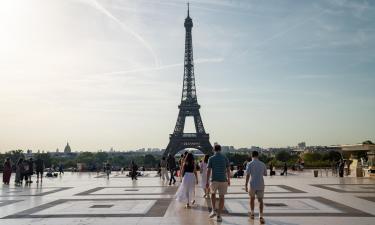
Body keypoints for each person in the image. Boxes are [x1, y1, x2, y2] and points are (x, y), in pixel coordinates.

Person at [206, 145, 230, 222]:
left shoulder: (211, 158)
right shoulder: (225, 158)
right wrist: (229, 179)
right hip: (223, 180)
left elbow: (208, 171)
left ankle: (213, 210)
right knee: (222, 197)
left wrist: (207, 181)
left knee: (212, 194)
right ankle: (219, 215)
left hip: (214, 179)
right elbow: (228, 169)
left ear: (213, 149)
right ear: (220, 149)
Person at [245, 151, 267, 224]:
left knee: (252, 198)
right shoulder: (262, 164)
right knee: (260, 200)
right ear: (258, 155)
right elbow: (265, 174)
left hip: (252, 184)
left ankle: (252, 213)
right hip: (260, 183)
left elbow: (248, 175)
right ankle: (260, 215)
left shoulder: (249, 164)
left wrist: (245, 184)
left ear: (252, 155)